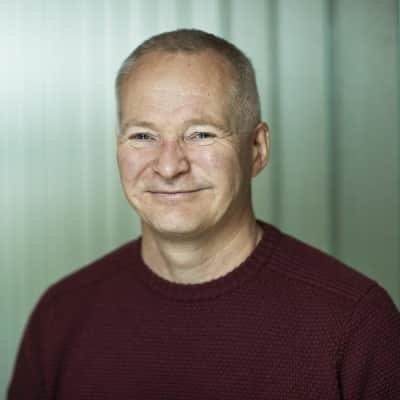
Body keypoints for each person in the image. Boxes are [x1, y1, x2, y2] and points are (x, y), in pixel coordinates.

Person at [8, 29, 400, 399]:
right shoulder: (60, 317)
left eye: (201, 134)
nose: (169, 166)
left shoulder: (354, 323)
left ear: (257, 149)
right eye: (143, 136)